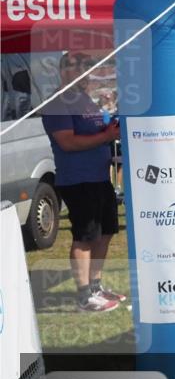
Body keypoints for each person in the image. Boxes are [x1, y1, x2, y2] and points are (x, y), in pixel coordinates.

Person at [42, 53, 126, 312]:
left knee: (107, 231)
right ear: (62, 70)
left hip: (99, 177)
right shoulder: (57, 102)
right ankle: (84, 296)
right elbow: (67, 142)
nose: (82, 71)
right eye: (74, 66)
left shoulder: (84, 100)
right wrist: (106, 137)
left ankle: (95, 286)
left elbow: (99, 129)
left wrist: (110, 128)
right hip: (77, 179)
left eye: (86, 67)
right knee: (85, 236)